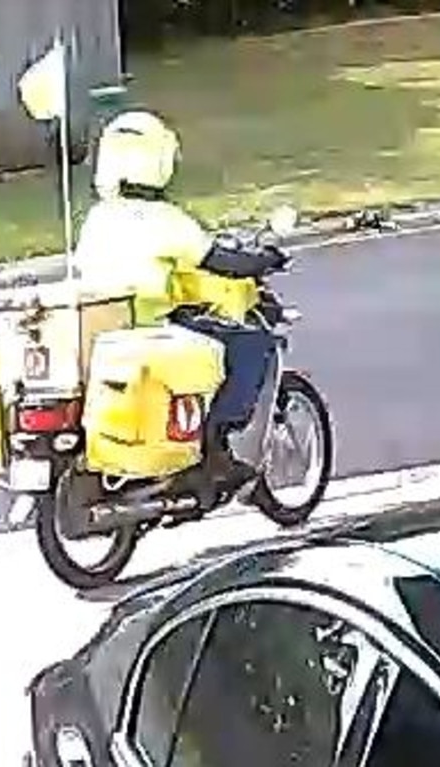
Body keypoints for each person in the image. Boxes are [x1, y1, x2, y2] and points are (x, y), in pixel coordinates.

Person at [71, 110, 286, 507]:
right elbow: (220, 261)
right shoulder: (165, 220)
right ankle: (215, 444)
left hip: (101, 331)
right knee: (249, 344)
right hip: (151, 326)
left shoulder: (97, 218)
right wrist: (264, 259)